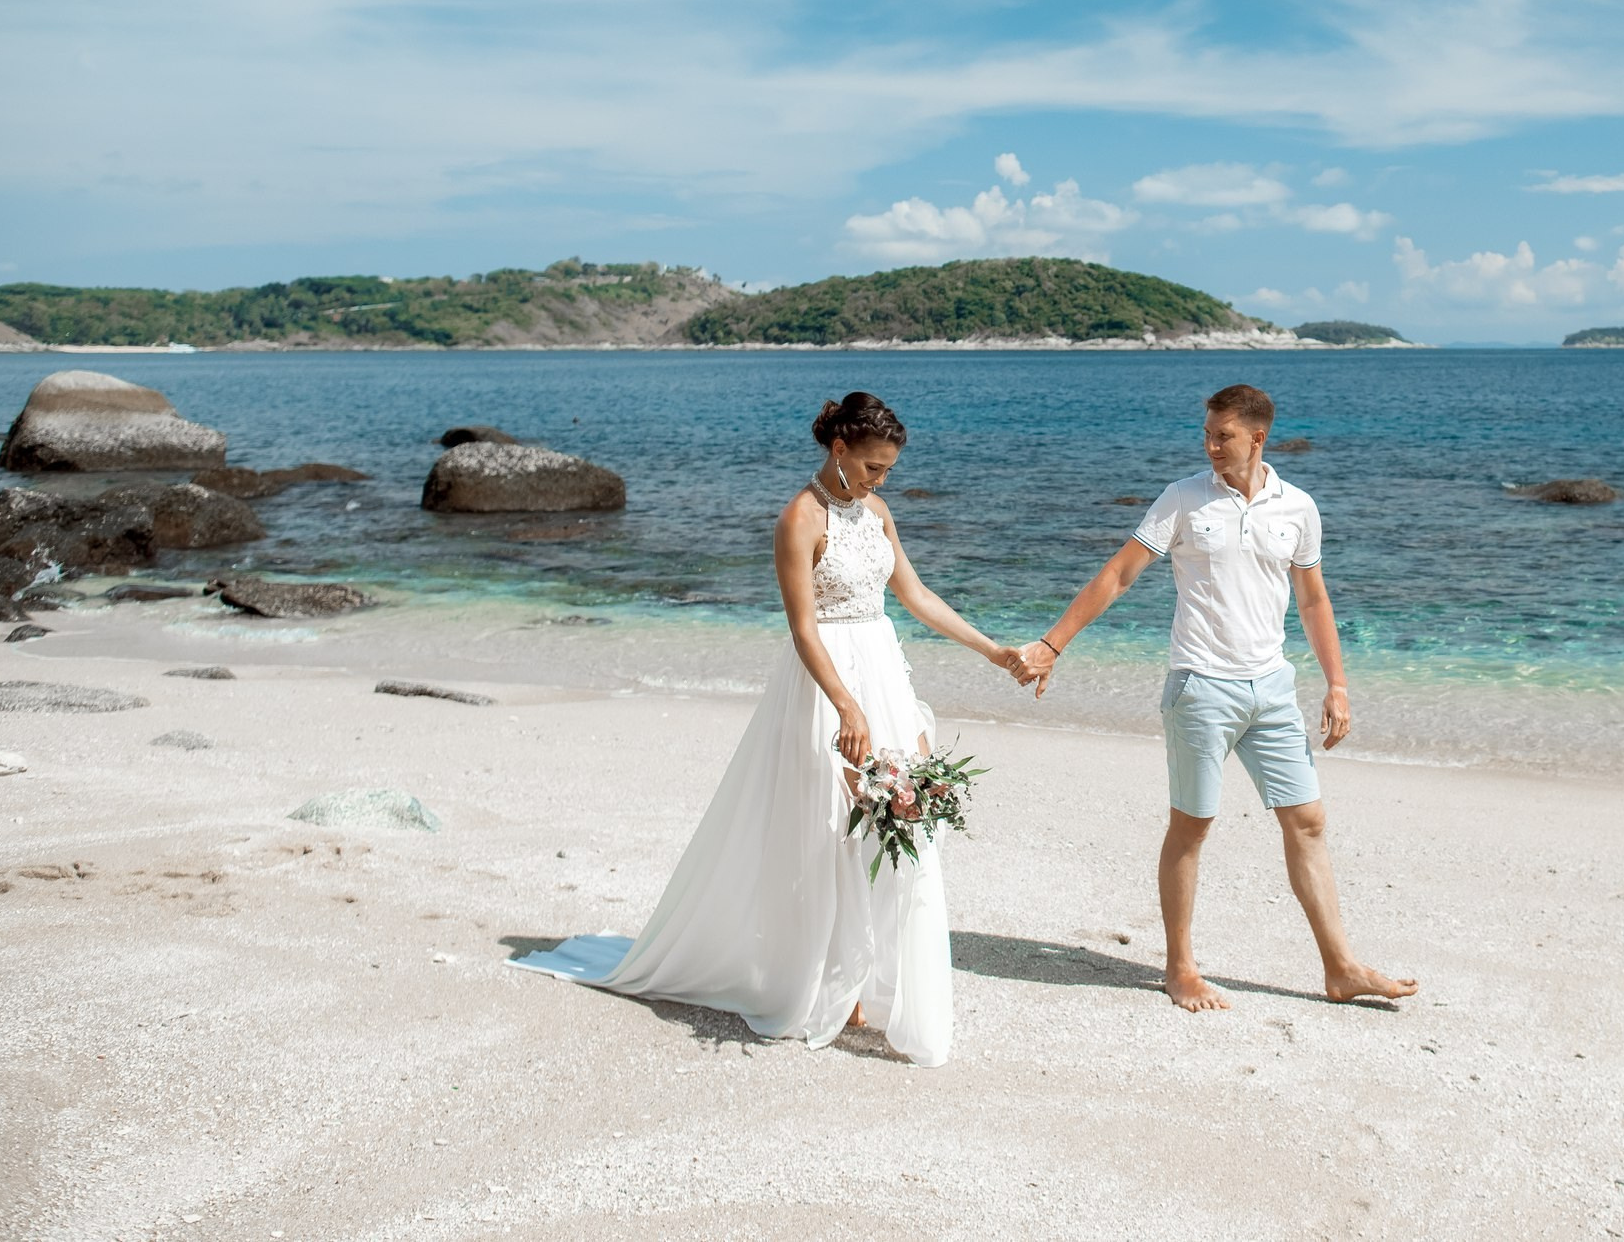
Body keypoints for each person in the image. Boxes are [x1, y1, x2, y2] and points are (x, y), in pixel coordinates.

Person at [511, 392, 1022, 1066]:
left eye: (888, 470)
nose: (879, 481)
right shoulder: (799, 519)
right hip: (828, 684)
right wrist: (846, 706)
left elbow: (915, 596)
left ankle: (875, 979)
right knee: (830, 831)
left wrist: (994, 651)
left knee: (902, 821)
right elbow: (804, 629)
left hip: (884, 673)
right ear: (838, 448)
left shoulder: (876, 512)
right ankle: (831, 984)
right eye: (872, 467)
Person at [1015, 383, 1417, 1012]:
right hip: (1200, 687)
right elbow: (1119, 574)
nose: (1210, 446)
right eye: (1206, 433)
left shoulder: (1298, 507)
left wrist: (1337, 684)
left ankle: (1340, 968)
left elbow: (1313, 600)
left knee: (1308, 821)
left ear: (1258, 438)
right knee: (1193, 825)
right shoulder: (1183, 498)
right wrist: (1052, 644)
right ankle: (1180, 969)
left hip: (1273, 689)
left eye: (1222, 436)